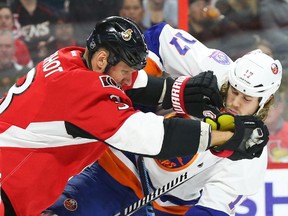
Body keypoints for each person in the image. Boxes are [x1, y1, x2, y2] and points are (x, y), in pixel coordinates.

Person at [0, 16, 267, 216]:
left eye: (247, 98)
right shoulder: (87, 94)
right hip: (10, 187)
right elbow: (150, 136)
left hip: (166, 206)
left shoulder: (73, 57)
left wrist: (180, 91)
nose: (234, 101)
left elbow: (133, 81)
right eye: (233, 90)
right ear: (103, 59)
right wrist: (223, 138)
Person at [0, 29, 29, 96]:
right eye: (0, 46)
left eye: (8, 46)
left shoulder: (25, 73)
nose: (4, 50)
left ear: (14, 49)